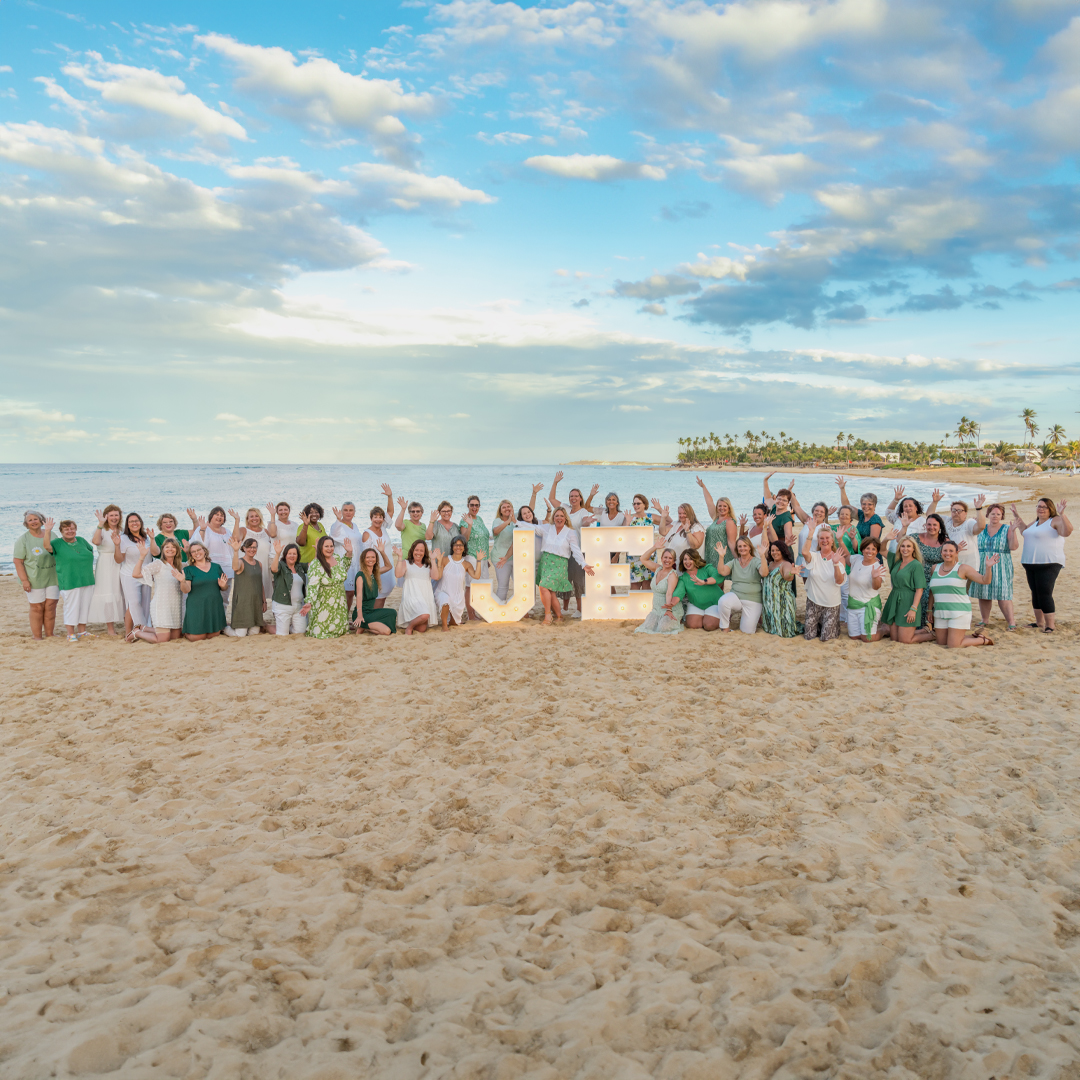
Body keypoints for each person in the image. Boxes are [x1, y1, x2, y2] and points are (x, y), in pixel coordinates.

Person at [1013, 498, 1072, 632]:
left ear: (1050, 508)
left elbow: (1067, 532)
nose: (1041, 509)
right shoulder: (1036, 522)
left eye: (1044, 507)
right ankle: (1039, 622)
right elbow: (1024, 531)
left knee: (1044, 592)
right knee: (1035, 592)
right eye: (1039, 506)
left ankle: (1050, 625)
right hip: (1030, 562)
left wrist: (1062, 514)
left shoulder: (1055, 520)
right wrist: (1017, 516)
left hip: (1049, 562)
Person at [927, 540, 998, 648]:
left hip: (959, 612)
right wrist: (929, 610)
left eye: (951, 551)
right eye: (945, 550)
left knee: (953, 645)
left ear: (956, 553)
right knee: (941, 642)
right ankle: (974, 635)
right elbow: (932, 590)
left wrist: (988, 567)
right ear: (941, 552)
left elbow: (985, 580)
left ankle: (982, 639)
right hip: (940, 612)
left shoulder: (963, 568)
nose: (948, 553)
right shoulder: (934, 568)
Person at [548, 472, 600, 616]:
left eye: (576, 496)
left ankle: (579, 609)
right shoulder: (564, 508)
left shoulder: (583, 512)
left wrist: (587, 522)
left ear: (580, 498)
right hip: (563, 551)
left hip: (577, 550)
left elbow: (584, 522)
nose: (573, 498)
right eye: (571, 496)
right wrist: (555, 482)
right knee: (564, 579)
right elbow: (551, 499)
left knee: (577, 580)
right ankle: (564, 608)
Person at [538, 505, 595, 625]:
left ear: (565, 518)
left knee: (543, 587)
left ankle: (548, 615)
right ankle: (559, 616)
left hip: (560, 564)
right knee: (550, 591)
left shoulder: (570, 532)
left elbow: (576, 550)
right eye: (557, 516)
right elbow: (531, 527)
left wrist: (583, 564)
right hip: (546, 562)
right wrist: (516, 521)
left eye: (562, 516)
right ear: (553, 517)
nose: (559, 518)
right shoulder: (547, 528)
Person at [970, 503, 1020, 631]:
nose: (995, 516)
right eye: (993, 514)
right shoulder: (981, 528)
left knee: (1003, 593)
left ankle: (1011, 622)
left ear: (1002, 516)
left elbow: (1013, 547)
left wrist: (1014, 531)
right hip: (983, 563)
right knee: (983, 592)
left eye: (998, 514)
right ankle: (984, 620)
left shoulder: (1007, 528)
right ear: (988, 515)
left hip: (1001, 564)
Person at [45, 519, 95, 641]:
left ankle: (82, 631)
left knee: (84, 606)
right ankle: (70, 634)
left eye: (72, 528)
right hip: (69, 580)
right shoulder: (57, 543)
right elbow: (47, 546)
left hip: (87, 579)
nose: (70, 531)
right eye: (66, 529)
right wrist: (47, 531)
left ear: (75, 529)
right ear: (61, 531)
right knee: (71, 607)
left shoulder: (81, 540)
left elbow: (90, 551)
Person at [14, 511, 59, 640]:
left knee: (51, 605)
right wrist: (24, 580)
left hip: (53, 577)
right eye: (30, 520)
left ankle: (50, 634)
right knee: (37, 607)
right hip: (34, 578)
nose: (33, 522)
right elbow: (18, 561)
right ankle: (37, 636)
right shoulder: (23, 539)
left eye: (36, 519)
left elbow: (59, 553)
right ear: (26, 524)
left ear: (41, 520)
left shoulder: (52, 534)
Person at [131, 538, 185, 643]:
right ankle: (137, 632)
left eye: (173, 547)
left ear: (177, 550)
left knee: (176, 637)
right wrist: (142, 556)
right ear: (163, 549)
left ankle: (144, 628)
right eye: (167, 547)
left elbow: (194, 565)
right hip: (162, 606)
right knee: (163, 639)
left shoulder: (180, 566)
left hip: (175, 606)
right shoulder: (159, 564)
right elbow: (136, 574)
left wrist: (187, 552)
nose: (170, 549)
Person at [879, 535, 929, 645]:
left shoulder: (916, 565)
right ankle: (922, 630)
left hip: (908, 601)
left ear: (913, 549)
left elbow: (919, 589)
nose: (905, 549)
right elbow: (881, 550)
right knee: (894, 638)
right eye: (902, 546)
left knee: (905, 640)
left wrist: (913, 609)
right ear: (899, 548)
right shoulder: (896, 560)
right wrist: (886, 539)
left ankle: (931, 635)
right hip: (894, 599)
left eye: (908, 546)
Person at [801, 526, 846, 642]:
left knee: (826, 639)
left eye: (827, 538)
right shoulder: (814, 556)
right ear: (818, 541)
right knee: (809, 637)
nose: (824, 540)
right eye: (821, 538)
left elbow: (839, 581)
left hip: (831, 604)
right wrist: (811, 533)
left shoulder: (839, 558)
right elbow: (804, 552)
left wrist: (835, 564)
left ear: (832, 541)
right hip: (813, 601)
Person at [230, 507, 276, 617]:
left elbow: (273, 538)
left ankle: (258, 616)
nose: (254, 518)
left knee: (262, 591)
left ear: (260, 518)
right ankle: (249, 617)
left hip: (263, 566)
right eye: (251, 516)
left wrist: (273, 515)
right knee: (250, 591)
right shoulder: (244, 530)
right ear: (247, 519)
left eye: (256, 516)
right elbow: (235, 538)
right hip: (248, 567)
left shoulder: (265, 531)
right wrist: (237, 520)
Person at [306, 535, 352, 639]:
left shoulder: (336, 557)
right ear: (320, 547)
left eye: (331, 546)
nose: (329, 549)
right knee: (319, 632)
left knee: (340, 631)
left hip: (340, 602)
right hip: (324, 603)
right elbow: (312, 585)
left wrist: (349, 553)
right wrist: (309, 602)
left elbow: (343, 569)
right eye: (326, 546)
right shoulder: (316, 564)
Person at [88, 504, 125, 634]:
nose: (114, 518)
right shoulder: (102, 529)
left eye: (116, 515)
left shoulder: (122, 530)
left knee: (122, 592)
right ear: (106, 517)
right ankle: (110, 628)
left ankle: (126, 622)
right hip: (106, 563)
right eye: (111, 515)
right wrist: (100, 524)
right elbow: (96, 542)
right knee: (108, 593)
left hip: (121, 561)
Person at [716, 536, 764, 634]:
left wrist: (762, 556)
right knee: (723, 601)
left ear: (750, 547)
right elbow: (722, 571)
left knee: (748, 631)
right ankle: (725, 628)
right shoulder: (734, 562)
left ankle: (745, 619)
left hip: (753, 600)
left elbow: (764, 573)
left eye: (745, 546)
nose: (742, 548)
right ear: (737, 549)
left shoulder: (756, 561)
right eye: (740, 546)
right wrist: (721, 557)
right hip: (736, 596)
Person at [116, 512, 153, 638]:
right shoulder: (123, 539)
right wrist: (116, 545)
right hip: (129, 574)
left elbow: (154, 553)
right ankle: (131, 632)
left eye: (136, 520)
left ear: (141, 522)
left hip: (145, 574)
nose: (134, 523)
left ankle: (143, 630)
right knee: (134, 603)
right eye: (131, 521)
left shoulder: (147, 537)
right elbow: (119, 559)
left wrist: (152, 539)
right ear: (127, 525)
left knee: (146, 604)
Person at [182, 541, 228, 640]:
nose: (197, 553)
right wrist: (182, 581)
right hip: (196, 606)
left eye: (199, 550)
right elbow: (186, 590)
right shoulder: (188, 570)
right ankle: (186, 632)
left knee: (213, 635)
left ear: (204, 551)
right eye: (193, 551)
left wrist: (223, 585)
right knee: (197, 637)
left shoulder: (216, 567)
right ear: (191, 555)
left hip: (214, 605)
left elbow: (224, 588)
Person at [666, 549, 722, 631]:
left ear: (696, 559)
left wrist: (704, 582)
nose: (687, 562)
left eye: (690, 559)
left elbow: (718, 576)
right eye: (685, 559)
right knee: (692, 624)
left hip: (714, 603)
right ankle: (705, 616)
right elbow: (679, 592)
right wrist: (672, 603)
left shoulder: (706, 568)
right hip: (697, 604)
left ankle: (721, 615)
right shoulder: (683, 578)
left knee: (709, 626)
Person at [909, 512, 948, 628]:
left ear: (940, 526)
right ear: (925, 525)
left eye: (935, 525)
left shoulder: (945, 542)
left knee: (928, 597)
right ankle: (917, 626)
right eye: (929, 524)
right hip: (917, 577)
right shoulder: (915, 538)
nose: (931, 527)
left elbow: (950, 561)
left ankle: (929, 625)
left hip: (935, 579)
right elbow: (902, 545)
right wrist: (904, 527)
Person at [435, 535, 483, 630]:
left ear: (464, 548)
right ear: (452, 547)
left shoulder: (466, 564)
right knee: (445, 601)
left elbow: (476, 576)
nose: (458, 547)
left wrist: (479, 560)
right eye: (456, 545)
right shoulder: (445, 559)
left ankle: (451, 621)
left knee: (454, 623)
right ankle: (444, 626)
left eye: (461, 545)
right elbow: (438, 576)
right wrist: (439, 562)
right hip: (443, 591)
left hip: (457, 596)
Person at [843, 537, 886, 642]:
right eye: (867, 548)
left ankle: (885, 630)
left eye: (873, 549)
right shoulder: (857, 559)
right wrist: (840, 540)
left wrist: (875, 577)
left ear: (877, 552)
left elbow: (876, 587)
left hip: (868, 606)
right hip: (853, 605)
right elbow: (846, 556)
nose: (870, 551)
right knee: (854, 637)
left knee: (867, 639)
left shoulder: (878, 568)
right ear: (862, 549)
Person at [395, 539, 442, 634]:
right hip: (412, 597)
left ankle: (412, 622)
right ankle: (409, 628)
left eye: (421, 551)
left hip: (425, 598)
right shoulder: (406, 563)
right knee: (425, 615)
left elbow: (435, 576)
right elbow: (398, 574)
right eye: (416, 550)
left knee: (422, 629)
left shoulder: (428, 565)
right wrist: (399, 557)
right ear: (412, 550)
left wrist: (433, 560)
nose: (418, 553)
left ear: (424, 553)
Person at [634, 544, 683, 634]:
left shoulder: (672, 575)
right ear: (661, 558)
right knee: (648, 627)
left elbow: (669, 593)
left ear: (673, 561)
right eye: (665, 557)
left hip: (670, 609)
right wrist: (655, 547)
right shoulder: (657, 568)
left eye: (670, 558)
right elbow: (643, 559)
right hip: (656, 610)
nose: (667, 560)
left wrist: (669, 610)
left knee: (663, 628)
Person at [697, 478, 737, 579]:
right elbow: (709, 502)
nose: (722, 508)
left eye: (724, 506)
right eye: (719, 506)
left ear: (729, 508)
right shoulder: (716, 518)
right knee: (712, 581)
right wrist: (703, 487)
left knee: (718, 581)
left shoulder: (729, 521)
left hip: (722, 556)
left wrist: (738, 559)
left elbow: (732, 543)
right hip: (710, 555)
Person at [360, 501, 396, 609]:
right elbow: (366, 557)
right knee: (377, 597)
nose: (378, 519)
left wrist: (389, 496)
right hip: (377, 570)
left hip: (388, 568)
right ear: (371, 518)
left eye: (380, 517)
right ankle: (373, 617)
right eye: (375, 517)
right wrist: (371, 572)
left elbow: (390, 512)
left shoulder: (383, 528)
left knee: (383, 596)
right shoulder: (367, 534)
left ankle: (377, 616)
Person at [355, 542, 397, 636]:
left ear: (376, 559)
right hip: (363, 613)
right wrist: (359, 616)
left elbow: (389, 566)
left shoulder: (374, 573)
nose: (370, 559)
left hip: (371, 611)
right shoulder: (360, 576)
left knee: (392, 612)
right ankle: (363, 625)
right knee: (387, 631)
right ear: (363, 559)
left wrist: (382, 551)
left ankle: (364, 626)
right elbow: (359, 596)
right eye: (367, 557)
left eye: (373, 557)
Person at [228, 537, 267, 637]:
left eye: (254, 547)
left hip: (256, 602)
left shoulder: (259, 564)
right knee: (240, 634)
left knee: (254, 632)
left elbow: (260, 583)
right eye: (249, 547)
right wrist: (235, 551)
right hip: (243, 602)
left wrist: (264, 601)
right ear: (244, 548)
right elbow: (235, 567)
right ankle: (224, 628)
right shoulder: (240, 562)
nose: (252, 549)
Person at [460, 495, 490, 620]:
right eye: (472, 505)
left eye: (476, 505)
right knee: (470, 585)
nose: (474, 507)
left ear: (479, 506)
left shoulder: (480, 519)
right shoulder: (464, 520)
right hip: (472, 556)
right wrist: (470, 525)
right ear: (468, 506)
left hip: (482, 557)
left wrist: (486, 559)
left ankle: (481, 610)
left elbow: (484, 538)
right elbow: (464, 539)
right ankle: (471, 615)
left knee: (483, 584)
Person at [270, 540, 310, 635]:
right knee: (282, 634)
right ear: (285, 555)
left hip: (298, 606)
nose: (292, 556)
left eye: (294, 554)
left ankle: (288, 626)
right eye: (290, 553)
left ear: (297, 556)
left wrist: (318, 551)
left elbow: (313, 565)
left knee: (300, 632)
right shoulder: (281, 565)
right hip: (282, 605)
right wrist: (277, 553)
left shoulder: (299, 566)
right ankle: (266, 626)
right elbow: (274, 569)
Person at [330, 503, 365, 611]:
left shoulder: (355, 526)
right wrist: (338, 519)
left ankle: (345, 615)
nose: (348, 512)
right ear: (341, 511)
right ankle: (341, 616)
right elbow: (334, 535)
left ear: (354, 512)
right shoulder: (337, 526)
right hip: (344, 561)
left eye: (351, 510)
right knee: (345, 591)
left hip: (356, 562)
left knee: (352, 592)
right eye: (345, 510)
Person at [760, 539, 799, 638]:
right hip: (770, 601)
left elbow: (787, 576)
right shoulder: (770, 564)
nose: (775, 552)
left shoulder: (786, 564)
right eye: (772, 550)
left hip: (782, 602)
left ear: (783, 551)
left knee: (784, 632)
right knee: (771, 629)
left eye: (778, 550)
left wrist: (791, 573)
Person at [835, 478, 884, 547]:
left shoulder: (875, 520)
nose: (866, 506)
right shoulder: (862, 515)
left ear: (874, 506)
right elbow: (846, 506)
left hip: (868, 550)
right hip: (858, 548)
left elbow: (873, 543)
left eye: (869, 504)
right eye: (864, 504)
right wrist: (842, 489)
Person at [658, 502, 705, 568]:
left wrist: (687, 531)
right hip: (670, 564)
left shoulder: (696, 527)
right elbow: (662, 532)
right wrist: (663, 518)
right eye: (680, 513)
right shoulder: (676, 524)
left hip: (685, 566)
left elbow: (695, 546)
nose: (681, 515)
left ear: (690, 513)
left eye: (684, 513)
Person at [628, 493, 660, 590]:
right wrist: (627, 522)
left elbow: (668, 521)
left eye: (638, 503)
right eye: (634, 504)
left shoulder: (651, 517)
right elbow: (623, 535)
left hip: (649, 555)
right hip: (633, 557)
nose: (636, 506)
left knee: (647, 586)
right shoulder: (629, 517)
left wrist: (659, 509)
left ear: (644, 504)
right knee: (634, 587)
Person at [762, 474, 797, 546]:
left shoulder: (786, 518)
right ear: (776, 498)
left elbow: (788, 540)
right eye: (779, 499)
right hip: (771, 546)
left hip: (780, 548)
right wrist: (765, 480)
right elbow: (767, 498)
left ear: (788, 503)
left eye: (784, 500)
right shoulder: (774, 507)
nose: (780, 502)